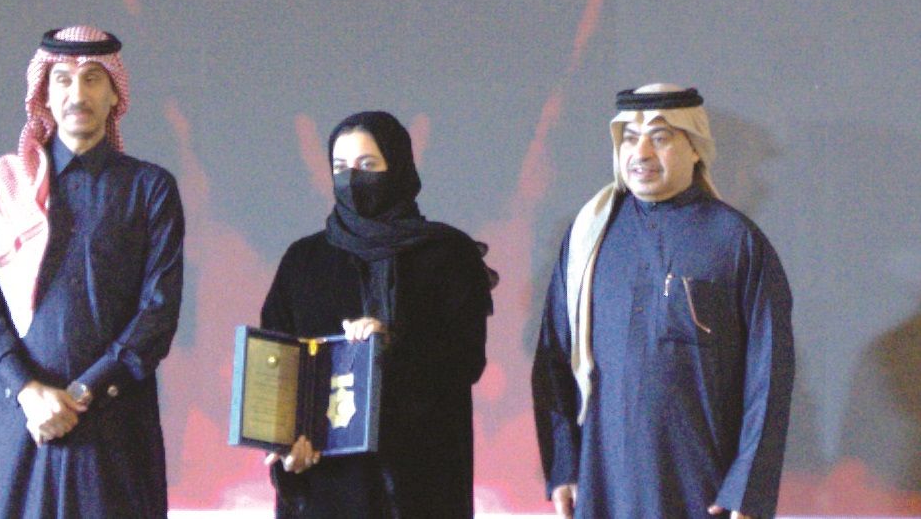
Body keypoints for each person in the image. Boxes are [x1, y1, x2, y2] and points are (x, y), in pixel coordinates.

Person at [531, 84, 794, 519]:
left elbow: (769, 375)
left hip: (702, 493)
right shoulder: (587, 240)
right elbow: (553, 359)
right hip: (603, 486)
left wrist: (745, 490)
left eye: (659, 137)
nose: (641, 153)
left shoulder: (736, 242)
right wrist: (564, 466)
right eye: (630, 138)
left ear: (695, 147)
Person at [0, 26, 184, 518]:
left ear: (115, 94)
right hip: (22, 427)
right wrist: (30, 392)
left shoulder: (150, 189)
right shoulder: (3, 190)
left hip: (114, 433)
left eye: (92, 79)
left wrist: (82, 393)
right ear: (43, 94)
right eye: (62, 79)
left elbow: (158, 312)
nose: (77, 94)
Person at [260, 111, 494, 518]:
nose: (352, 179)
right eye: (340, 168)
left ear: (397, 166)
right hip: (329, 483)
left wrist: (392, 341)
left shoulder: (446, 254)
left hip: (424, 479)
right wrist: (283, 446)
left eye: (367, 165)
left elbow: (465, 360)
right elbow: (277, 364)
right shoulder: (304, 261)